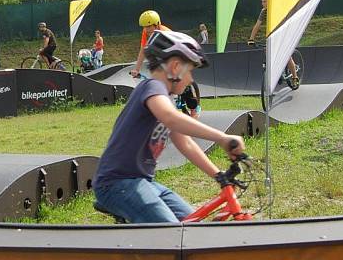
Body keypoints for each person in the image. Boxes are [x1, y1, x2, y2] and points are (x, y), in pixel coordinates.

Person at [93, 31, 246, 223]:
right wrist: (221, 138)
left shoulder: (167, 100)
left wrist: (219, 176)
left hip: (143, 182)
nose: (191, 79)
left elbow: (186, 144)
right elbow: (171, 118)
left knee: (193, 225)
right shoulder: (152, 87)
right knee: (175, 235)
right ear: (175, 67)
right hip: (117, 183)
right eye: (190, 71)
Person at [248, 0, 299, 87]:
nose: (263, 3)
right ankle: (276, 73)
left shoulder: (278, 10)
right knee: (267, 51)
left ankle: (295, 77)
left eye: (265, 1)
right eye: (262, 1)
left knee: (287, 56)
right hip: (273, 35)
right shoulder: (264, 11)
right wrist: (251, 38)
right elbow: (257, 25)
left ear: (270, 2)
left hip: (285, 33)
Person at [131, 10, 170, 78]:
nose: (146, 30)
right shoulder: (146, 31)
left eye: (148, 26)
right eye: (144, 27)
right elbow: (143, 50)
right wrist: (137, 69)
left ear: (157, 25)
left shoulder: (166, 34)